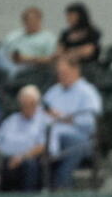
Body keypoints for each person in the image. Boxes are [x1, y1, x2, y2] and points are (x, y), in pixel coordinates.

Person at [42, 56, 102, 189]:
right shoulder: (53, 91)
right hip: (50, 134)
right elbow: (42, 112)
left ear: (76, 70)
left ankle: (62, 187)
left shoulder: (88, 92)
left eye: (64, 72)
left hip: (81, 139)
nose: (61, 76)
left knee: (69, 142)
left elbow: (91, 122)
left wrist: (63, 117)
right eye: (59, 73)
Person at [0, 84, 49, 190]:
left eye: (31, 103)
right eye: (24, 104)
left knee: (30, 165)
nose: (28, 107)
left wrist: (22, 157)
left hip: (28, 160)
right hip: (5, 160)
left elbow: (44, 145)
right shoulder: (10, 120)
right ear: (20, 104)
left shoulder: (44, 121)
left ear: (37, 103)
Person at [0, 6, 56, 79]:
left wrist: (28, 59)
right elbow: (2, 52)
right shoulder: (15, 35)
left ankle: (13, 76)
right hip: (10, 61)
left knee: (14, 70)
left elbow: (51, 59)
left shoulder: (48, 37)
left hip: (31, 66)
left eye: (33, 20)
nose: (31, 23)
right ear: (24, 22)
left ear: (39, 20)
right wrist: (12, 56)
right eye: (28, 20)